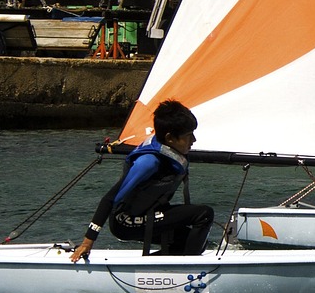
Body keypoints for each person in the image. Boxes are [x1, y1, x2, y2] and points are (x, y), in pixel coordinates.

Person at [69, 99, 214, 260]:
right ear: (170, 138)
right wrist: (88, 242)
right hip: (125, 222)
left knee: (191, 239)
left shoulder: (169, 148)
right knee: (204, 214)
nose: (194, 140)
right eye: (188, 136)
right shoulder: (148, 162)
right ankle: (189, 271)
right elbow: (109, 199)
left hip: (148, 214)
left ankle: (154, 272)